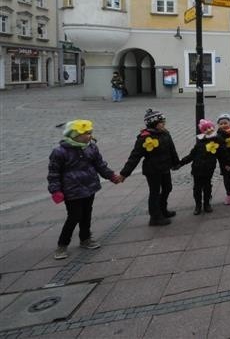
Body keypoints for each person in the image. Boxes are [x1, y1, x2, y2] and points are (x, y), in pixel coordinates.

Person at [48, 120, 121, 260]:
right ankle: (62, 245)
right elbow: (54, 173)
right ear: (74, 135)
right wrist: (55, 190)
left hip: (89, 186)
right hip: (71, 190)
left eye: (90, 133)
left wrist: (111, 176)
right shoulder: (60, 151)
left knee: (87, 214)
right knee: (74, 216)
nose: (89, 136)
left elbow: (100, 165)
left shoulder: (91, 147)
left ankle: (85, 238)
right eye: (85, 133)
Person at [120, 109, 180, 226]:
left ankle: (163, 209)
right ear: (154, 123)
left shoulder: (165, 133)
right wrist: (124, 173)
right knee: (155, 192)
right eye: (161, 122)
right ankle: (155, 217)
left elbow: (172, 149)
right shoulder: (144, 138)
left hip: (164, 167)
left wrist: (175, 162)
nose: (164, 124)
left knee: (168, 188)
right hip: (152, 170)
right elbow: (134, 157)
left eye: (164, 122)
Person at [176, 119, 220, 215]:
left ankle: (207, 204)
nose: (208, 130)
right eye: (205, 129)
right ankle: (198, 205)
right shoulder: (199, 142)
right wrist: (180, 163)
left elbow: (223, 153)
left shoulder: (217, 140)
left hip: (209, 169)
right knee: (197, 188)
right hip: (197, 169)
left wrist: (227, 164)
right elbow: (192, 155)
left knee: (207, 187)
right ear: (202, 131)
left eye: (210, 127)